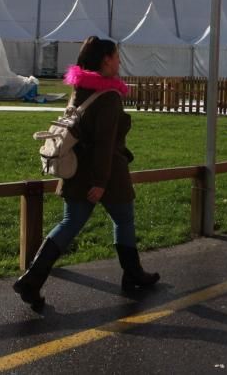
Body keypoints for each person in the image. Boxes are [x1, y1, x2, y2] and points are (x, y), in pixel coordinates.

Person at [14, 36, 159, 311]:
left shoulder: (80, 89)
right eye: (116, 56)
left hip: (77, 169)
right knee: (124, 218)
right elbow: (105, 145)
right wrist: (101, 183)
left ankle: (32, 279)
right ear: (106, 60)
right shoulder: (109, 97)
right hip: (107, 174)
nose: (119, 61)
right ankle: (133, 274)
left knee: (70, 223)